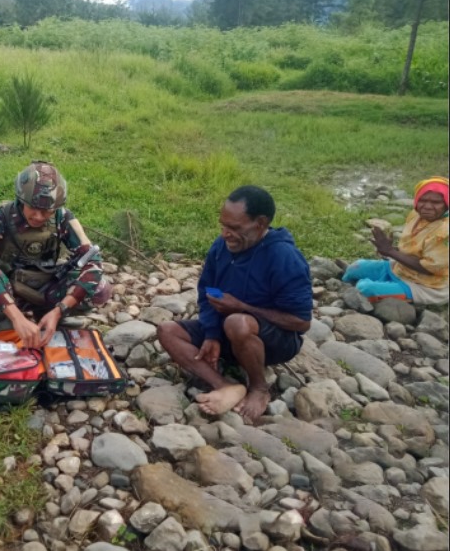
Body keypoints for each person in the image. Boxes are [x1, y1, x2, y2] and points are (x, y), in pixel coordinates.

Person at [157, 185, 312, 423]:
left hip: (272, 340)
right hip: (228, 331)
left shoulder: (283, 257)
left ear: (260, 224)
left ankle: (259, 388)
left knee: (237, 322)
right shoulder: (223, 247)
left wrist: (243, 308)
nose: (225, 234)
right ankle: (226, 386)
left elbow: (301, 322)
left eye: (234, 228)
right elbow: (209, 291)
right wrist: (211, 334)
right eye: (223, 225)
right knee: (167, 331)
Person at [0, 161, 111, 349]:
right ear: (21, 200)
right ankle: (9, 320)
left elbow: (92, 261)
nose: (38, 216)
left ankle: (49, 316)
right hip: (9, 289)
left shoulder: (63, 218)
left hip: (46, 289)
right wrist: (16, 317)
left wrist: (60, 310)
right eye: (32, 208)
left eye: (46, 211)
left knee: (100, 288)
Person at [342, 176, 448, 305]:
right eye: (422, 200)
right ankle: (383, 283)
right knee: (355, 267)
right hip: (400, 269)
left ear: (446, 204)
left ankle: (390, 291)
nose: (427, 207)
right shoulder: (416, 215)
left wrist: (391, 252)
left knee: (364, 289)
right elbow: (413, 249)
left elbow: (430, 268)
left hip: (425, 285)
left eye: (436, 202)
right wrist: (393, 251)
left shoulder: (444, 232)